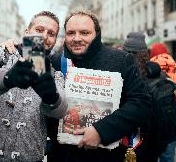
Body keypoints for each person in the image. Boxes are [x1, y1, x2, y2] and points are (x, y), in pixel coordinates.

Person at [49, 11, 152, 162]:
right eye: (71, 33)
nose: (77, 38)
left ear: (96, 34)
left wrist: (101, 130)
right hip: (62, 155)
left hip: (106, 156)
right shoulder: (56, 61)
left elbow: (141, 103)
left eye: (84, 33)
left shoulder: (121, 60)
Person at [0, 11, 67, 162]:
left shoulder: (55, 75)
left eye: (51, 33)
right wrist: (7, 79)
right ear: (27, 32)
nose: (44, 36)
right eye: (39, 30)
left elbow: (61, 110)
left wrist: (51, 97)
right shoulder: (0, 53)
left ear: (55, 40)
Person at [123, 32, 176, 162]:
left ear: (128, 52)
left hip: (133, 142)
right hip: (155, 143)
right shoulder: (160, 75)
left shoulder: (128, 75)